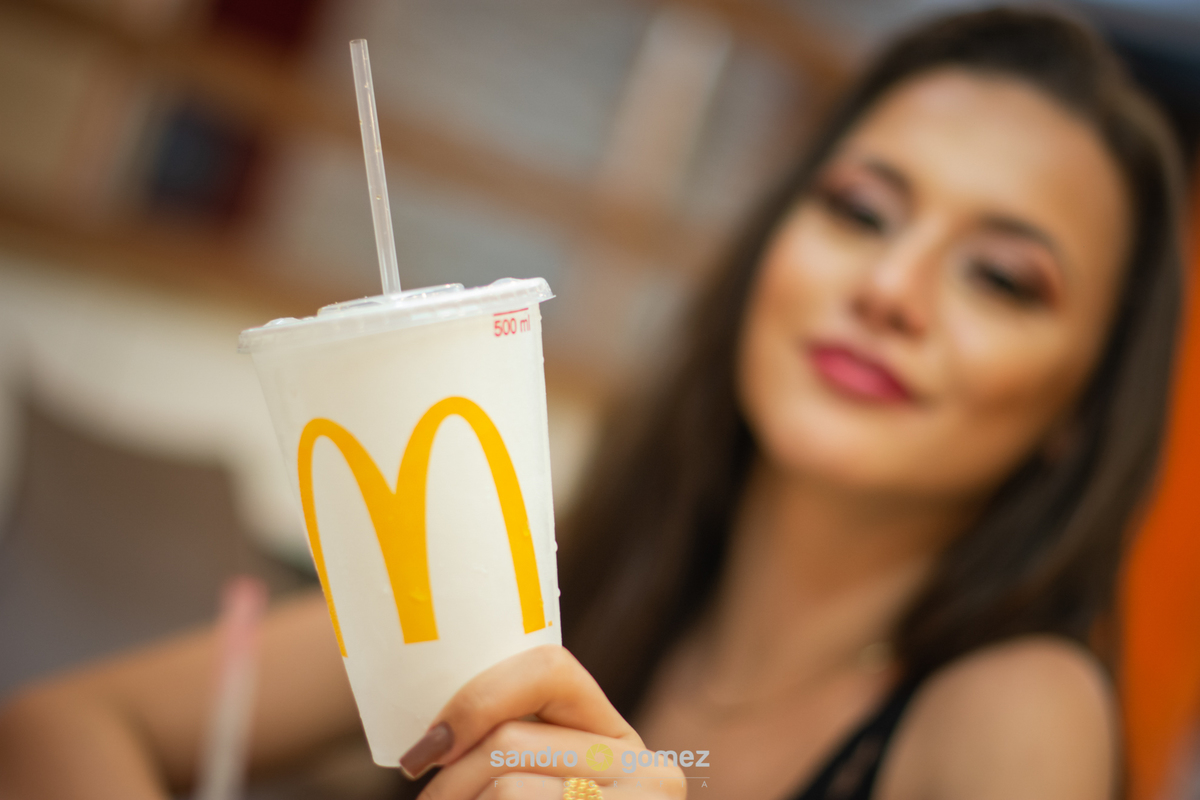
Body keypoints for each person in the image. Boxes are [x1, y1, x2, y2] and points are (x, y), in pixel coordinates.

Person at [0, 7, 1186, 799]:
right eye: (862, 210)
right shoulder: (561, 570)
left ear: (1082, 407)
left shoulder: (1017, 708)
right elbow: (54, 727)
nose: (888, 288)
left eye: (1001, 278)